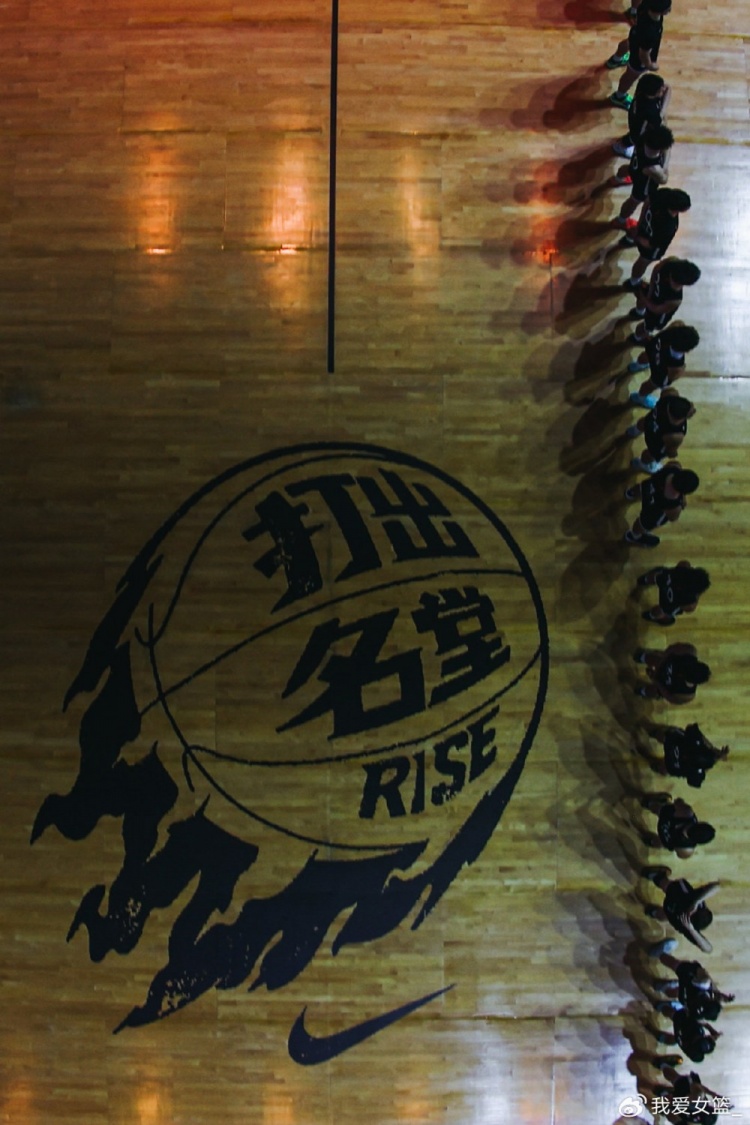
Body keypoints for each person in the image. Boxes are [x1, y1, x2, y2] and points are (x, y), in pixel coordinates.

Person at [607, 0, 673, 109]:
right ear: (660, 11)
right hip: (639, 58)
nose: (670, 10)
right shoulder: (651, 32)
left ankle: (616, 59)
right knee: (631, 75)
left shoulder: (645, 5)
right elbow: (643, 55)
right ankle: (619, 96)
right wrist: (650, 65)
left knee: (628, 42)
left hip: (635, 35)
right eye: (668, 8)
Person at [623, 187, 692, 288]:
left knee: (632, 233)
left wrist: (638, 225)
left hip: (643, 228)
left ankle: (627, 240)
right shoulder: (668, 226)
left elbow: (647, 202)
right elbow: (651, 245)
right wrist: (637, 237)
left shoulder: (663, 193)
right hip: (650, 242)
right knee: (643, 261)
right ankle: (633, 282)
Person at [641, 867, 720, 952]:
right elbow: (708, 949)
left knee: (667, 885)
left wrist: (696, 902)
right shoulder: (686, 926)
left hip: (676, 897)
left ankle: (656, 876)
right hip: (671, 913)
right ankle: (652, 912)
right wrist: (692, 930)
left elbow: (717, 886)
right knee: (666, 915)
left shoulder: (694, 900)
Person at [624, 462, 699, 547]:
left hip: (649, 488)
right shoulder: (674, 505)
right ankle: (633, 536)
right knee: (643, 524)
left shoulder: (673, 468)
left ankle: (631, 493)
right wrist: (682, 500)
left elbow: (672, 465)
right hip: (653, 511)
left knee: (641, 487)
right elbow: (672, 518)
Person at [628, 323, 700, 408]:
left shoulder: (674, 327)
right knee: (650, 385)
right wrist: (682, 370)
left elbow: (665, 332)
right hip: (660, 371)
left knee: (646, 355)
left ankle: (636, 365)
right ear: (687, 350)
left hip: (654, 349)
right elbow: (672, 376)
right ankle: (640, 398)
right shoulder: (678, 365)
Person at [630, 258, 701, 342]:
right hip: (656, 310)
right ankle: (637, 337)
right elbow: (656, 309)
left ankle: (638, 316)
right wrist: (646, 298)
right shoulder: (675, 299)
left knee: (645, 321)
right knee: (646, 327)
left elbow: (655, 270)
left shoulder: (671, 262)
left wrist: (648, 294)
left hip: (654, 301)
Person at [625, 389, 695, 473]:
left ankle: (633, 431)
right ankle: (642, 464)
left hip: (649, 422)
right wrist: (673, 454)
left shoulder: (669, 394)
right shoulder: (676, 435)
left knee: (643, 422)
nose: (693, 409)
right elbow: (671, 450)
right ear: (679, 418)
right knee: (650, 455)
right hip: (655, 441)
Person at [614, 124, 674, 221]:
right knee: (633, 202)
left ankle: (617, 179)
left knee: (628, 169)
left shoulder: (642, 137)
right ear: (661, 148)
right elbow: (664, 180)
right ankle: (621, 220)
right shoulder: (654, 168)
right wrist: (665, 167)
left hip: (635, 166)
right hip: (643, 185)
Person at [647, 724, 729, 787]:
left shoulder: (697, 741)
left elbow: (691, 728)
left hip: (672, 744)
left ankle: (654, 732)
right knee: (668, 771)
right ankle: (654, 764)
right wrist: (716, 758)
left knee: (672, 732)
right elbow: (693, 783)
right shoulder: (699, 772)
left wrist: (711, 747)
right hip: (672, 764)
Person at [613, 73, 671, 159]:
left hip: (636, 116)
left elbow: (668, 88)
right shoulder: (650, 112)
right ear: (654, 93)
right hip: (638, 127)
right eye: (660, 89)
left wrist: (662, 111)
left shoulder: (643, 90)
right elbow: (659, 125)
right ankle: (620, 147)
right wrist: (661, 115)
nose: (663, 89)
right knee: (634, 138)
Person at [640, 794, 715, 857]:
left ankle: (649, 804)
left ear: (699, 823)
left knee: (661, 809)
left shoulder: (687, 812)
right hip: (666, 839)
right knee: (663, 844)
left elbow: (678, 801)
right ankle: (651, 841)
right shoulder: (687, 850)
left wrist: (680, 801)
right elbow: (679, 853)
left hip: (665, 818)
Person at [633, 643, 710, 703]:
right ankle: (642, 656)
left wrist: (656, 680)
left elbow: (668, 697)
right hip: (665, 661)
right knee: (656, 658)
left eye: (682, 673)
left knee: (656, 692)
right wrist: (660, 665)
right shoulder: (689, 651)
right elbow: (671, 649)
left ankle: (642, 691)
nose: (680, 672)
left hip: (664, 686)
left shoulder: (687, 695)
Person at [636, 561, 710, 624]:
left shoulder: (682, 568)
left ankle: (644, 580)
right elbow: (689, 608)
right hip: (669, 603)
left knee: (656, 576)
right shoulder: (689, 602)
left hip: (664, 580)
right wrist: (697, 595)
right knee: (662, 611)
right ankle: (652, 615)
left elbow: (684, 563)